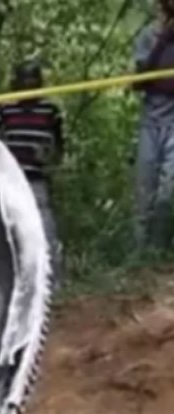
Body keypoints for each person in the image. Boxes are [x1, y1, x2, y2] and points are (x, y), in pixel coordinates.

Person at [0, 59, 66, 286]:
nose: (28, 84)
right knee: (11, 232)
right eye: (24, 79)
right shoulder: (5, 109)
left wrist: (49, 156)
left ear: (40, 82)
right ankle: (15, 284)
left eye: (33, 79)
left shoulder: (50, 110)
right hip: (10, 180)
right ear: (16, 83)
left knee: (45, 230)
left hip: (37, 180)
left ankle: (53, 282)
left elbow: (59, 146)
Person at [132, 0, 174, 255]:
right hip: (151, 120)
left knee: (169, 189)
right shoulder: (149, 35)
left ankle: (158, 250)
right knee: (143, 188)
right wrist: (163, 40)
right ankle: (137, 252)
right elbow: (140, 81)